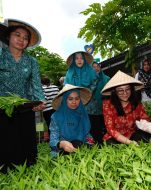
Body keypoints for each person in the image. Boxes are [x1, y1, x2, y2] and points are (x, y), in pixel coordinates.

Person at [0, 18, 45, 173]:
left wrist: (40, 100)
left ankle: (29, 170)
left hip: (25, 107)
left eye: (25, 38)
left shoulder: (32, 62)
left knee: (26, 143)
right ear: (8, 37)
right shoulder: (1, 55)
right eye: (17, 35)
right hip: (3, 107)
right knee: (6, 143)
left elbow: (36, 85)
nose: (21, 40)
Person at [101, 70, 151, 145]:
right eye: (120, 90)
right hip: (114, 138)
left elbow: (146, 122)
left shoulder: (136, 104)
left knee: (146, 138)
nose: (125, 93)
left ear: (131, 89)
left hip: (131, 135)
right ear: (115, 92)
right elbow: (111, 129)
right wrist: (129, 142)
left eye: (127, 89)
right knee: (113, 146)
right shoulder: (107, 105)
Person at [49, 84, 94, 157]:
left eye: (77, 99)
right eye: (70, 99)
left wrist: (90, 142)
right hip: (62, 150)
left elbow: (87, 134)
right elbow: (52, 141)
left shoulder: (82, 114)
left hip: (80, 145)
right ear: (64, 100)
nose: (74, 102)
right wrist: (62, 144)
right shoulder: (56, 117)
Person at [64, 51, 99, 143]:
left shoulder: (90, 70)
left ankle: (95, 144)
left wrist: (86, 93)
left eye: (81, 58)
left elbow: (94, 83)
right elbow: (66, 86)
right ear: (74, 60)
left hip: (90, 102)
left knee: (93, 125)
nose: (79, 60)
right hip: (75, 103)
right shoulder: (70, 72)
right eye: (77, 58)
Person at [89, 62, 110, 144]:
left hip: (105, 107)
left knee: (106, 126)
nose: (96, 68)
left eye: (97, 66)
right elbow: (87, 93)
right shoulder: (89, 81)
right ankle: (99, 143)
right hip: (93, 109)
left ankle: (108, 143)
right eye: (93, 67)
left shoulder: (107, 79)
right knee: (96, 128)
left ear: (100, 67)